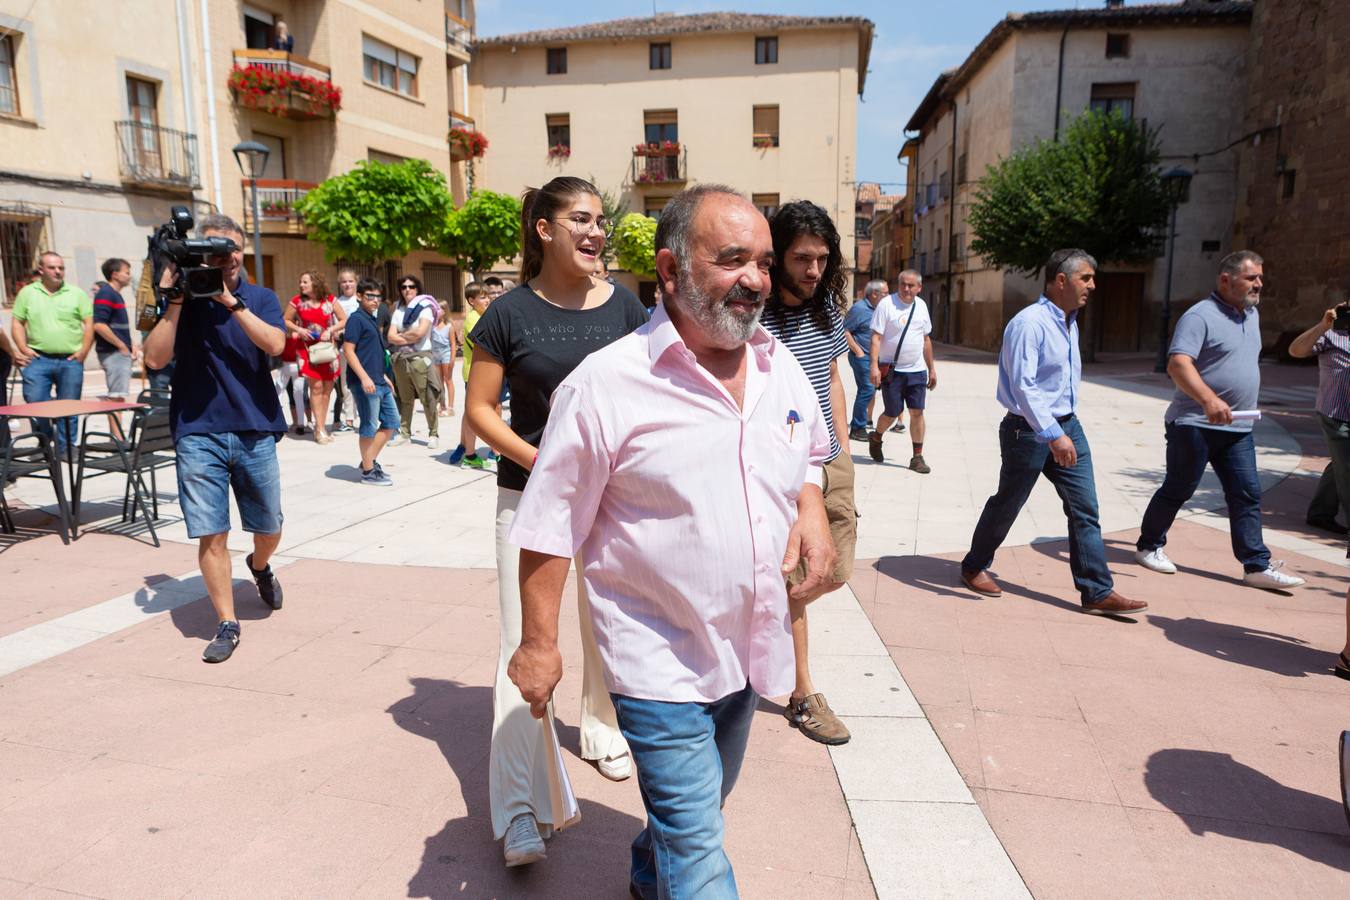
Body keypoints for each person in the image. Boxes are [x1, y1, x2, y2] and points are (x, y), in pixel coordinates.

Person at [507, 183, 835, 896]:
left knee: (700, 806)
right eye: (732, 260)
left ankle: (644, 868)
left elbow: (808, 447)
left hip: (748, 647)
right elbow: (549, 521)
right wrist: (538, 643)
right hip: (657, 659)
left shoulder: (779, 363)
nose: (755, 279)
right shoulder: (606, 387)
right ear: (668, 269)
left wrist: (810, 507)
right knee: (698, 847)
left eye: (763, 262)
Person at [466, 176, 647, 867]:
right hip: (529, 499)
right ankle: (518, 809)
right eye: (581, 218)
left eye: (601, 220)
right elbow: (480, 412)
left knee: (606, 630)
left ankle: (602, 731)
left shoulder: (627, 309)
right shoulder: (507, 313)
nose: (596, 231)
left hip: (613, 501)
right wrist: (541, 459)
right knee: (522, 645)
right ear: (544, 229)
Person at [961, 249, 1147, 616]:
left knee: (1085, 508)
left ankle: (1096, 590)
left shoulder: (1069, 320)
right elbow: (1024, 386)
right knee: (1008, 504)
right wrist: (1052, 433)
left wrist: (1063, 430)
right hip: (1028, 431)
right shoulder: (1029, 324)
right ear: (1060, 281)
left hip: (1067, 426)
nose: (1093, 286)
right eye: (1086, 278)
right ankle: (973, 565)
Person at [142, 213, 286, 663]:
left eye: (231, 251)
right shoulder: (180, 302)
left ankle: (258, 566)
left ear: (242, 254)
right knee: (212, 532)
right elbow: (153, 358)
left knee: (270, 526)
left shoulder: (259, 297)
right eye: (213, 252)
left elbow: (276, 345)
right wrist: (177, 300)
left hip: (253, 428)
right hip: (197, 430)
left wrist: (230, 302)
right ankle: (227, 621)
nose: (223, 260)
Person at [1135, 251, 1306, 590]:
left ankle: (1255, 565)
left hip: (1238, 426)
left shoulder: (1251, 315)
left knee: (1246, 493)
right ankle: (1148, 546)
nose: (1259, 283)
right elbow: (1178, 364)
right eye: (1251, 278)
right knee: (1180, 488)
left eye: (1260, 277)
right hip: (1194, 423)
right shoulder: (1199, 316)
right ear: (1225, 279)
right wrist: (1209, 399)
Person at [759, 200, 855, 746]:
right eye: (801, 258)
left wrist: (839, 444)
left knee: (832, 570)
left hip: (827, 459)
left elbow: (833, 375)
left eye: (821, 259)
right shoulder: (756, 313)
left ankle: (760, 614)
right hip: (782, 465)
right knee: (798, 577)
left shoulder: (828, 308)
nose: (813, 271)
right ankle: (801, 693)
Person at [10, 252, 93, 454]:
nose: (58, 271)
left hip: (70, 360)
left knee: (69, 407)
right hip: (38, 359)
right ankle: (46, 441)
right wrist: (22, 347)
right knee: (35, 401)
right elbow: (17, 322)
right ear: (41, 270)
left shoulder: (76, 293)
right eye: (52, 267)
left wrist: (83, 352)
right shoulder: (28, 293)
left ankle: (67, 447)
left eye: (61, 268)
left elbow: (90, 324)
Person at [1288, 300, 1350, 534]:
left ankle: (1320, 513)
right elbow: (1295, 350)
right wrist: (1323, 325)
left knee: (1340, 465)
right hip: (1336, 413)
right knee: (1348, 467)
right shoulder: (1331, 334)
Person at [868, 269, 936, 473]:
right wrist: (873, 366)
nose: (906, 288)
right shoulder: (886, 305)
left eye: (911, 285)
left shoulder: (921, 306)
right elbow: (876, 338)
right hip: (893, 370)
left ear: (919, 288)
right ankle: (876, 436)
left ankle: (917, 457)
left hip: (916, 370)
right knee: (892, 412)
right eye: (903, 284)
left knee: (917, 412)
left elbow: (926, 340)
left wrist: (931, 368)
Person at [343, 278, 397, 486]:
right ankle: (368, 471)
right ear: (359, 296)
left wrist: (383, 376)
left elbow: (371, 353)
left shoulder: (372, 319)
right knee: (369, 426)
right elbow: (349, 351)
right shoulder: (356, 319)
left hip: (378, 381)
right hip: (364, 383)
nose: (375, 301)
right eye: (370, 296)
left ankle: (368, 461)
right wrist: (364, 377)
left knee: (391, 423)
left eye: (378, 297)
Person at [284, 271, 345, 444]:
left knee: (327, 389)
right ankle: (318, 429)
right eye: (300, 282)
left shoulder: (330, 300)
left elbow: (343, 319)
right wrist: (300, 330)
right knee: (316, 387)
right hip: (307, 350)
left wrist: (330, 330)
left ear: (315, 283)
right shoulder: (297, 301)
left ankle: (322, 426)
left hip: (327, 349)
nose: (301, 285)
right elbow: (286, 320)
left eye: (305, 282)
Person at [386, 276, 441, 448]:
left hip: (420, 358)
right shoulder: (398, 310)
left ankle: (433, 434)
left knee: (428, 397)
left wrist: (400, 336)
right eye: (403, 287)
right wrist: (408, 335)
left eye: (411, 286)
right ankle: (405, 433)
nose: (407, 289)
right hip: (401, 360)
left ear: (417, 289)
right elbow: (390, 336)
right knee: (404, 398)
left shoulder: (425, 308)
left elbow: (420, 333)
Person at [448, 282, 492, 468]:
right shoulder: (474, 319)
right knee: (478, 414)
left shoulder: (479, 316)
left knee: (469, 413)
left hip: (475, 372)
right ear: (471, 301)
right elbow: (485, 345)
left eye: (487, 295)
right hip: (475, 373)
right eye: (482, 297)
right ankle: (471, 455)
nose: (487, 299)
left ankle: (467, 450)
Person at [845, 280, 884, 442]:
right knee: (867, 389)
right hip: (862, 357)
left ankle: (861, 423)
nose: (888, 296)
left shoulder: (880, 309)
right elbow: (845, 330)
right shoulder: (859, 309)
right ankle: (857, 427)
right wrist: (858, 351)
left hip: (874, 357)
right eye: (885, 293)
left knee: (870, 390)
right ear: (874, 294)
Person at [92, 258, 137, 402]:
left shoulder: (115, 294)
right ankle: (116, 426)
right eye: (126, 272)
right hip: (113, 353)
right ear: (115, 274)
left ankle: (117, 426)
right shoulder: (106, 293)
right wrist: (121, 346)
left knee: (119, 397)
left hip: (119, 352)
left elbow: (118, 327)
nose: (129, 276)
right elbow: (99, 325)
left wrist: (131, 345)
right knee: (116, 397)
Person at [331, 268, 360, 433]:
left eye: (350, 281)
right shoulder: (337, 303)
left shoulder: (361, 300)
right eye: (344, 281)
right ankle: (349, 419)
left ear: (356, 282)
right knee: (346, 384)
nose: (347, 284)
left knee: (364, 381)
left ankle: (367, 416)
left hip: (362, 348)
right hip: (343, 347)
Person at [432, 299, 458, 417]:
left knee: (448, 380)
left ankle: (451, 407)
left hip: (446, 354)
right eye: (435, 308)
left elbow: (453, 344)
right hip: (435, 355)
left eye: (440, 308)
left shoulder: (449, 326)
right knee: (439, 382)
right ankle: (442, 405)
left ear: (444, 311)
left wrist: (452, 359)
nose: (437, 310)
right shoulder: (431, 325)